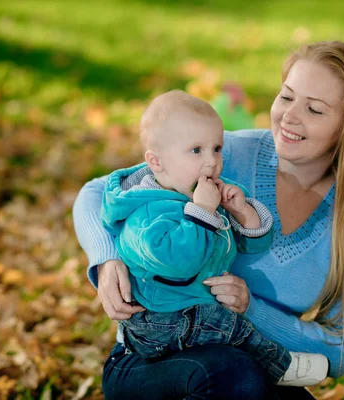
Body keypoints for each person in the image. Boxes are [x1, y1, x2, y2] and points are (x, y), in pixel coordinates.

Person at [73, 40, 344, 400]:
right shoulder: (223, 154)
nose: (289, 117)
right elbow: (97, 192)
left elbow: (342, 348)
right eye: (286, 97)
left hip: (256, 370)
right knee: (235, 375)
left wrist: (252, 310)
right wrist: (106, 259)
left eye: (314, 109)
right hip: (151, 359)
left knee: (248, 378)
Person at [99, 89, 328, 386]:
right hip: (160, 320)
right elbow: (180, 262)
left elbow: (251, 247)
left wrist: (242, 212)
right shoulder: (147, 213)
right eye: (196, 151)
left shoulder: (199, 195)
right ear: (156, 162)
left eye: (217, 149)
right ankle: (280, 363)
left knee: (227, 336)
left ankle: (263, 369)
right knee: (228, 327)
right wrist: (203, 211)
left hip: (189, 311)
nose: (211, 162)